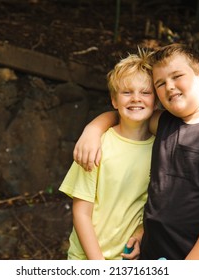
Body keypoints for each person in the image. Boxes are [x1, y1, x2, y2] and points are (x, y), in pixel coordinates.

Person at [73, 43, 199, 260]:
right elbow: (129, 114)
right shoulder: (164, 123)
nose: (169, 86)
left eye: (177, 76)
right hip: (154, 256)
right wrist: (93, 129)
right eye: (160, 83)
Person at [59, 48, 158, 260]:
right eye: (127, 92)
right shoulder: (95, 145)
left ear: (156, 101)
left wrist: (141, 235)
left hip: (130, 260)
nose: (136, 98)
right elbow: (81, 213)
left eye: (145, 92)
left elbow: (153, 207)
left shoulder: (161, 150)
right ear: (114, 100)